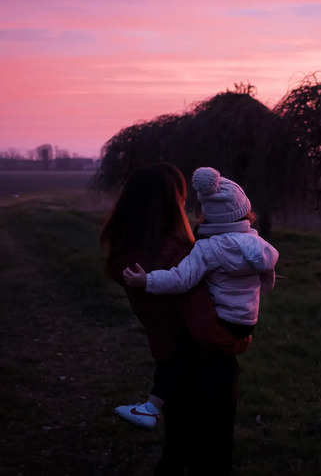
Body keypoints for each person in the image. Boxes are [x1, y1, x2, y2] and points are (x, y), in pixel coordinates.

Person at [100, 162, 249, 474]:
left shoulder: (126, 252)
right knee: (214, 454)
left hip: (168, 359)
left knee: (177, 448)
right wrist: (237, 340)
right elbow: (203, 322)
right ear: (173, 202)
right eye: (182, 198)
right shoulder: (180, 255)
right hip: (208, 364)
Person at [119, 166, 278, 426]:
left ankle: (152, 407)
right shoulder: (260, 245)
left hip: (219, 323)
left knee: (180, 351)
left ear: (207, 215)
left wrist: (146, 280)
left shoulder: (207, 249)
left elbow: (180, 280)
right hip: (245, 324)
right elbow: (267, 275)